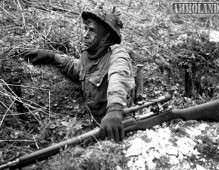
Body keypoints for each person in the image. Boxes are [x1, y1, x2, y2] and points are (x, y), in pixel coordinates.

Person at [23, 6, 135, 142]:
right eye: (85, 29)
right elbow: (77, 69)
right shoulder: (88, 55)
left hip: (118, 125)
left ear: (106, 36)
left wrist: (115, 109)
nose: (85, 34)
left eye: (92, 30)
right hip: (98, 124)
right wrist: (51, 56)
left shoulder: (117, 54)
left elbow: (118, 77)